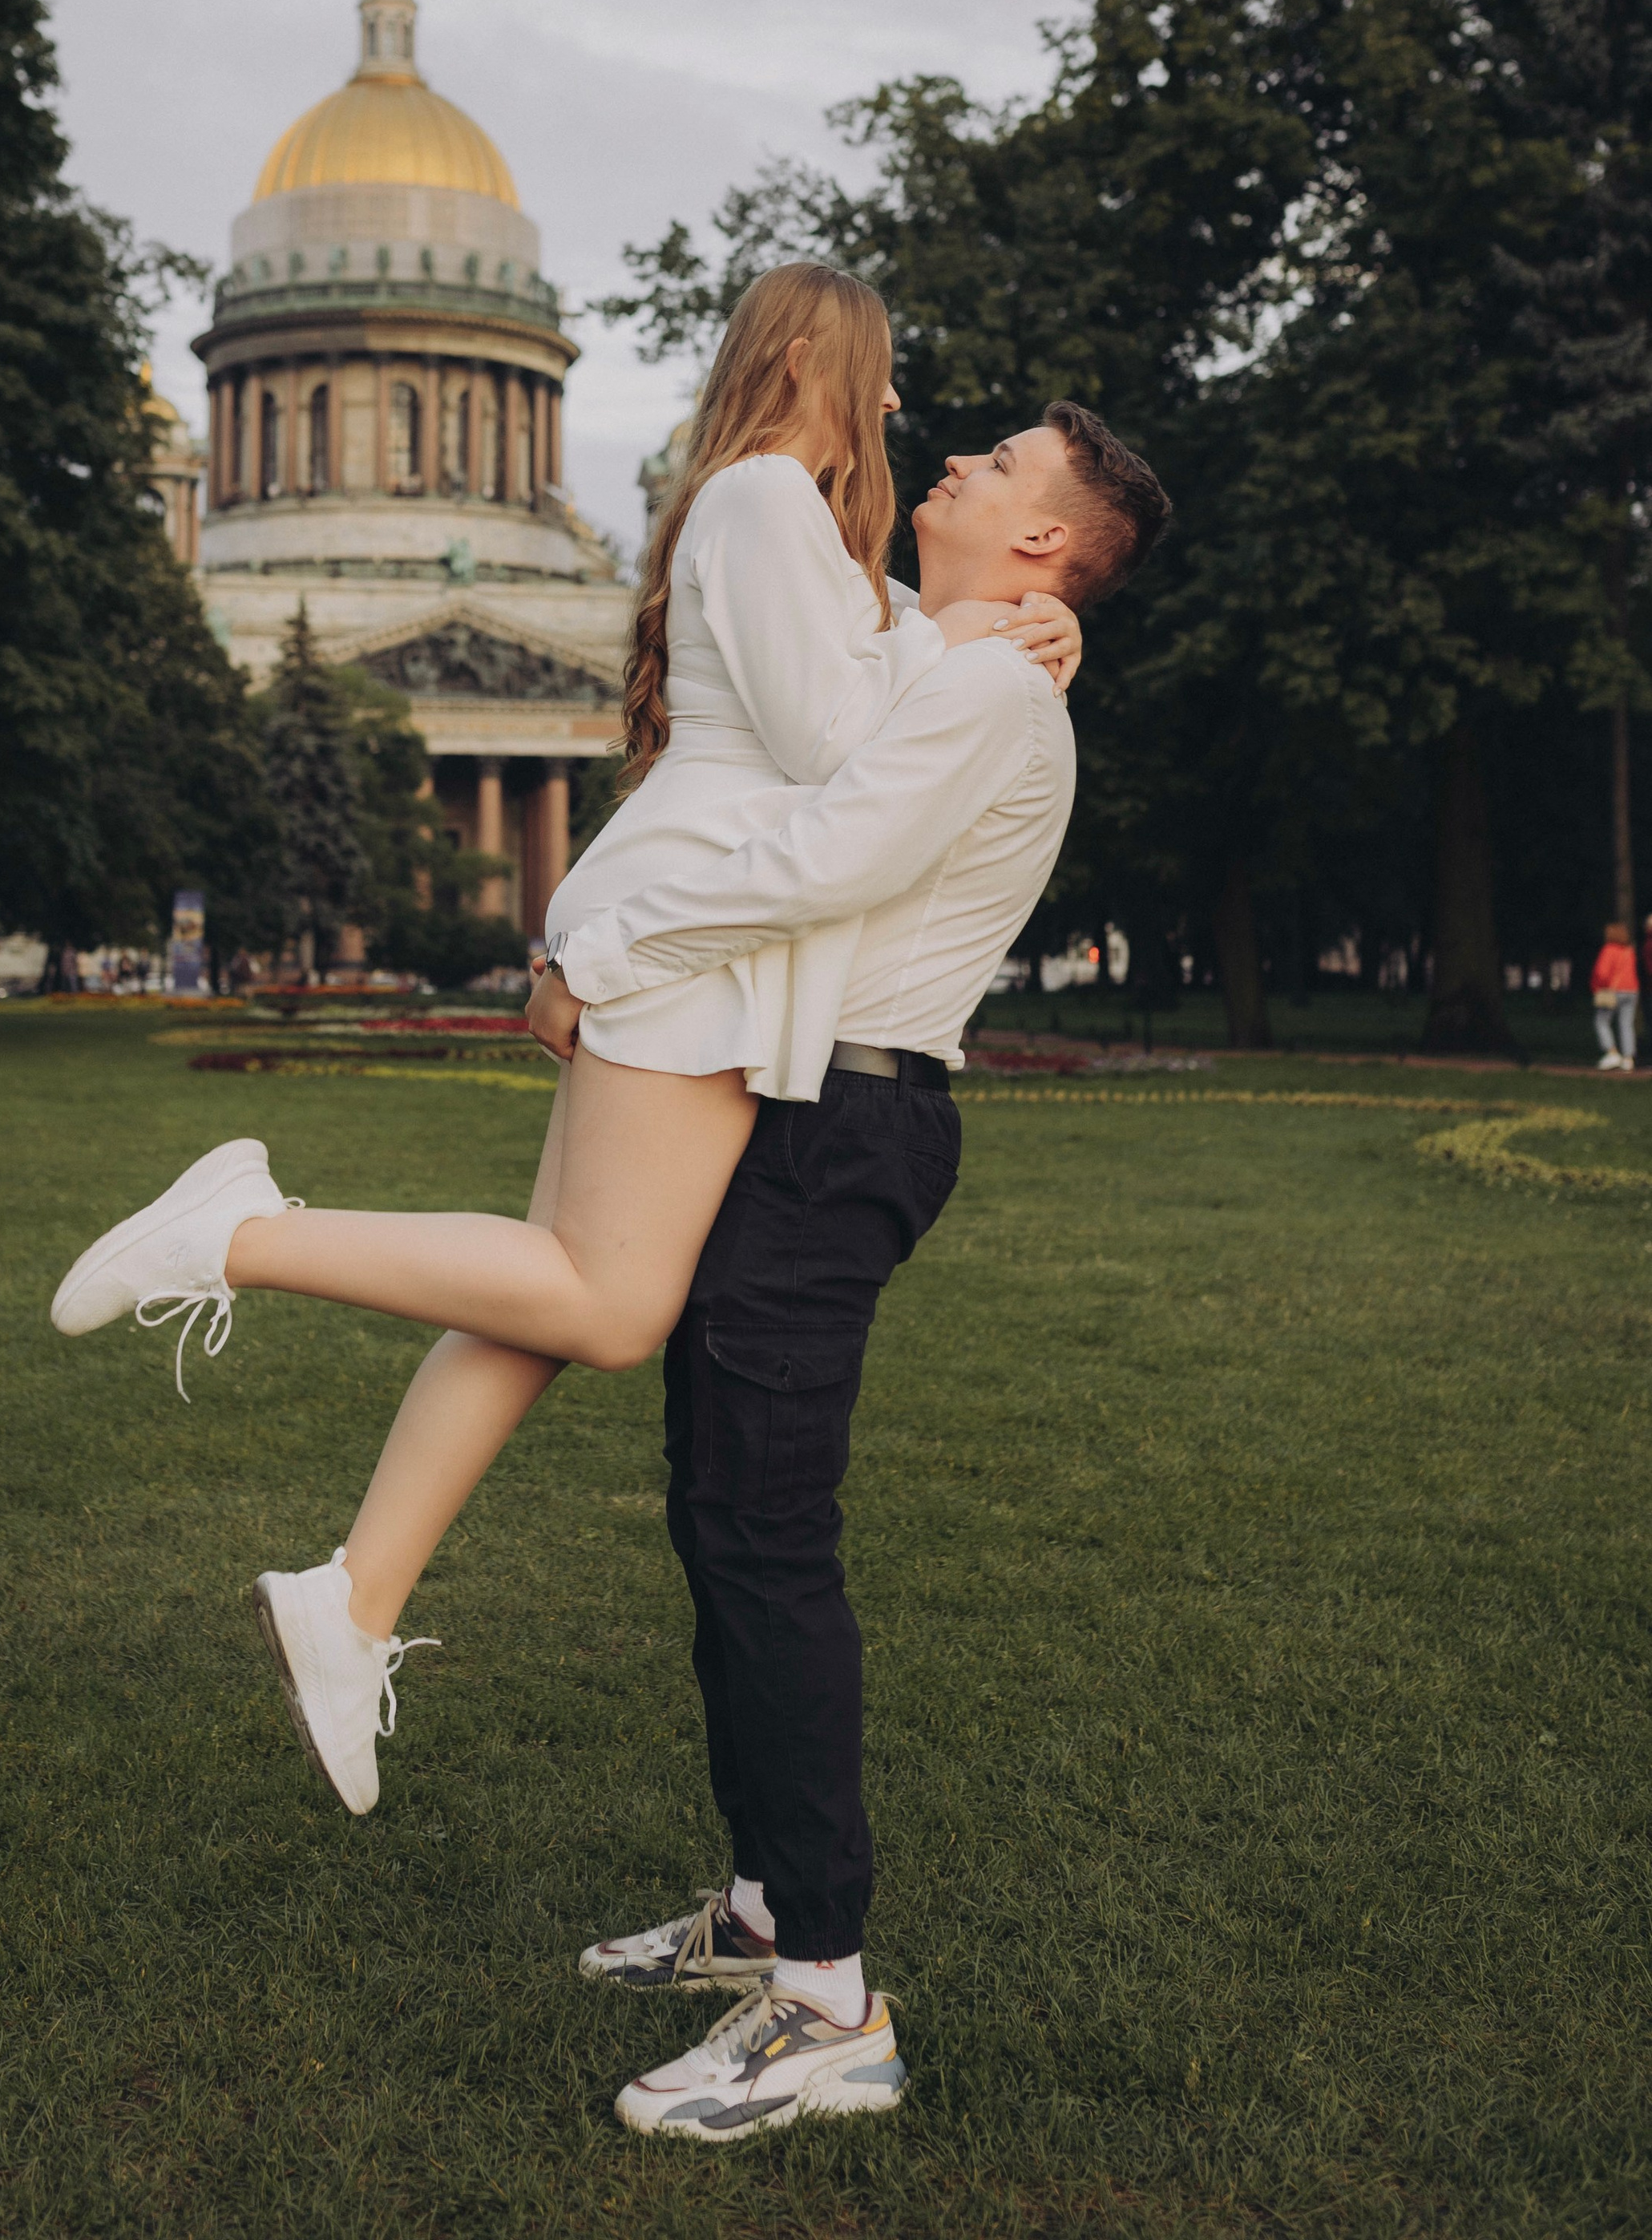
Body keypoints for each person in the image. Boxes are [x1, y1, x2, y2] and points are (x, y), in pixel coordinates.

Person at [51, 265, 1080, 1783]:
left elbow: (848, 695)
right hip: (705, 941)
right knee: (603, 1306)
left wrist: (986, 630)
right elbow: (844, 750)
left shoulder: (791, 527)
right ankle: (243, 1231)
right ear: (814, 357)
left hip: (711, 938)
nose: (902, 414)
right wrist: (986, 645)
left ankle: (353, 1597)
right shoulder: (770, 502)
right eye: (883, 376)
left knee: (537, 1300)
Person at [541, 402, 1169, 2141]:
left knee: (762, 1533)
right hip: (818, 1121)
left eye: (998, 468)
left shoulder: (982, 685)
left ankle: (826, 2004)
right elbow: (831, 674)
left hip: (846, 1133)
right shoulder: (958, 655)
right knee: (717, 1512)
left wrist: (592, 945)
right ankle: (759, 1907)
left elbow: (828, 856)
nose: (952, 462)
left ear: (1047, 545)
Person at [1592, 920, 1638, 1070]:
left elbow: (1602, 973)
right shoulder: (1629, 950)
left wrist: (1597, 986)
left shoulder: (1609, 949)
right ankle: (1628, 1058)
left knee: (1601, 1021)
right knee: (1627, 1023)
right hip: (1632, 990)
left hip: (1614, 990)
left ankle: (1612, 1052)